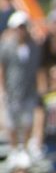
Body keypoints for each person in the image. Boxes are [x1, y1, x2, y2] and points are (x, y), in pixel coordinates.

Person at [0, 12, 41, 150]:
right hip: (11, 90)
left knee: (28, 120)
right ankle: (14, 149)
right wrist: (2, 88)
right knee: (11, 122)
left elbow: (38, 69)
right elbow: (2, 68)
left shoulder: (34, 47)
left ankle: (24, 149)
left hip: (29, 89)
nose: (21, 31)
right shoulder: (6, 46)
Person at [32, 64, 56, 166]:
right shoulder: (44, 96)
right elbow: (39, 116)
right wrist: (38, 136)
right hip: (48, 134)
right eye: (54, 77)